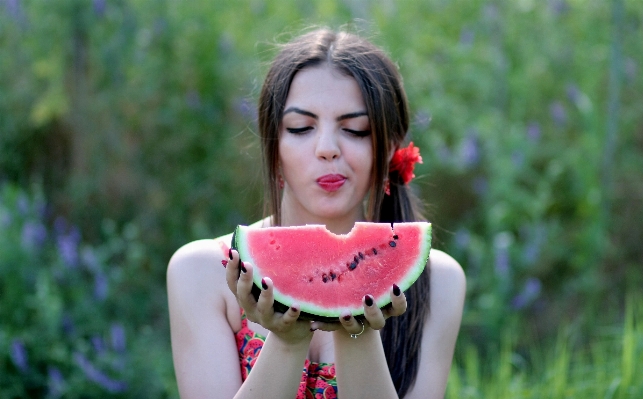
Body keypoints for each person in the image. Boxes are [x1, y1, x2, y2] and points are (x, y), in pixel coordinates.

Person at [167, 28, 466, 399]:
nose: (327, 148)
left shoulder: (438, 283)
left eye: (356, 130)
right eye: (301, 127)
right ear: (273, 147)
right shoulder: (202, 273)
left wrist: (356, 331)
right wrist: (288, 342)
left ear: (390, 148)